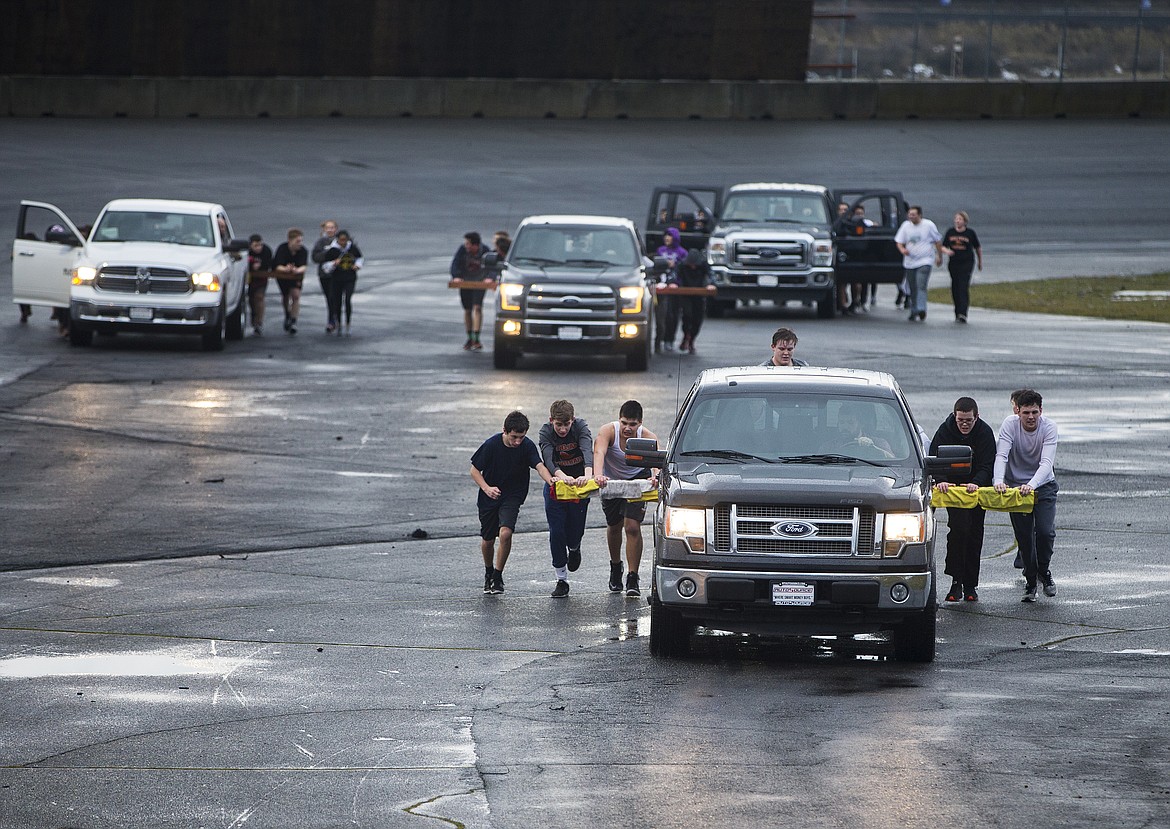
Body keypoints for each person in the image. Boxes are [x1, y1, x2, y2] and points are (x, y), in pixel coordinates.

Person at [470, 411, 555, 595]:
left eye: (521, 437)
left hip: (512, 495)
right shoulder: (492, 445)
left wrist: (551, 481)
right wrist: (487, 488)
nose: (517, 442)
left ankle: (498, 576)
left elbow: (539, 466)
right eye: (514, 437)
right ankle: (488, 572)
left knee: (506, 533)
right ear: (505, 431)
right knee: (487, 539)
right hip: (489, 495)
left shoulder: (527, 446)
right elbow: (474, 470)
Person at [993, 389, 1059, 603]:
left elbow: (1046, 463)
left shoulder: (1049, 428)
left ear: (1041, 411)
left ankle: (1044, 572)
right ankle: (1031, 581)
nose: (1030, 417)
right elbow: (1002, 455)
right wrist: (998, 481)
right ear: (1017, 412)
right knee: (1025, 539)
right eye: (1026, 413)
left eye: (1034, 412)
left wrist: (1031, 485)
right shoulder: (1009, 425)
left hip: (1043, 486)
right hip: (1015, 488)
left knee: (1045, 532)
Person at [930, 397, 997, 602]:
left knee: (975, 534)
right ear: (954, 416)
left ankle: (971, 585)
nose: (964, 424)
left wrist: (977, 482)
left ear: (976, 417)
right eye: (961, 420)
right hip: (954, 491)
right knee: (959, 530)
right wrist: (940, 480)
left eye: (969, 420)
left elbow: (988, 465)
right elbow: (934, 458)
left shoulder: (984, 433)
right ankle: (955, 581)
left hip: (976, 490)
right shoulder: (945, 430)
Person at [593, 400, 658, 598]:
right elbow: (599, 452)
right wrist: (598, 475)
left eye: (633, 424)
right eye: (624, 423)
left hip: (637, 479)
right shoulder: (608, 431)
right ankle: (615, 567)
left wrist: (655, 476)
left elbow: (656, 461)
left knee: (631, 526)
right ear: (618, 420)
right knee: (614, 526)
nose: (627, 428)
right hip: (611, 480)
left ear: (640, 423)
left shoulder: (647, 436)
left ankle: (633, 576)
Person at [538, 400, 594, 598]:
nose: (562, 429)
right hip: (558, 485)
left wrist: (587, 474)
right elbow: (548, 458)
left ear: (573, 420)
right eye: (558, 425)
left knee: (575, 529)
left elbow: (588, 450)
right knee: (557, 531)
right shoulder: (545, 432)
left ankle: (575, 547)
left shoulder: (581, 427)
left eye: (566, 424)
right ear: (551, 420)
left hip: (579, 484)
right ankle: (561, 579)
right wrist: (562, 476)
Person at [894, 205, 943, 322]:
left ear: (919, 215)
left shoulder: (928, 225)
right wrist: (902, 250)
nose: (911, 217)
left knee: (921, 284)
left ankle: (921, 308)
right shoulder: (906, 226)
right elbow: (899, 242)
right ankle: (914, 309)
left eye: (914, 214)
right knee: (912, 287)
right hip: (910, 262)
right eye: (910, 214)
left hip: (925, 260)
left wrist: (939, 256)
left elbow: (937, 241)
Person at [451, 231, 491, 351]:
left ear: (476, 245)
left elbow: (492, 266)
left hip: (479, 283)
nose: (466, 246)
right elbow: (455, 264)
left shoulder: (485, 251)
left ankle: (476, 337)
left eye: (468, 244)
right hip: (466, 282)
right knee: (467, 309)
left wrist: (490, 277)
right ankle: (469, 336)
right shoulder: (462, 250)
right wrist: (456, 276)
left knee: (477, 307)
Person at [942, 210, 983, 324]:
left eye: (960, 219)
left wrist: (980, 262)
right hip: (954, 263)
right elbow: (942, 246)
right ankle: (957, 311)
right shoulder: (950, 232)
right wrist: (946, 252)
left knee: (963, 286)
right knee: (955, 286)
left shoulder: (970, 233)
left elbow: (978, 248)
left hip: (967, 262)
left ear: (965, 222)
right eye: (956, 219)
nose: (957, 221)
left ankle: (963, 313)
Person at [321, 230, 363, 336]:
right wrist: (334, 263)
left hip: (350, 278)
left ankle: (348, 322)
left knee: (348, 299)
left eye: (345, 240)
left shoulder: (352, 248)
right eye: (341, 240)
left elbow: (360, 258)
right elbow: (325, 267)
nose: (343, 242)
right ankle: (339, 322)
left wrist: (357, 266)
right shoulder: (333, 250)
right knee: (337, 301)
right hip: (336, 279)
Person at [654, 227, 687, 352]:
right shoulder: (660, 250)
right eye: (665, 235)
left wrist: (676, 265)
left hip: (676, 288)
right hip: (661, 287)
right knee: (661, 316)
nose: (667, 238)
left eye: (670, 235)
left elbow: (685, 269)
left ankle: (669, 340)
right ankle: (658, 341)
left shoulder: (682, 252)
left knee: (673, 315)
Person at [272, 228, 308, 335]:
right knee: (286, 295)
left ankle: (293, 320)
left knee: (296, 295)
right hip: (283, 275)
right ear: (290, 241)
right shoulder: (282, 249)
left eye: (301, 241)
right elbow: (277, 266)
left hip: (296, 276)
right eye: (297, 241)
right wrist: (286, 269)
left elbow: (304, 266)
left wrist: (296, 270)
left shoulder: (303, 251)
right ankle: (287, 313)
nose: (300, 244)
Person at [676, 248, 713, 354]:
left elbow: (711, 275)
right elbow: (675, 275)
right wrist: (674, 282)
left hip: (699, 295)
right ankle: (686, 335)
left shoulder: (703, 265)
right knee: (687, 315)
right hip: (686, 294)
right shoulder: (682, 265)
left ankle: (692, 340)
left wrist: (710, 284)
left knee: (698, 319)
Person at [311, 219, 339, 330]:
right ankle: (332, 318)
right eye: (328, 228)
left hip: (337, 274)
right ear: (324, 229)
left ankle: (333, 319)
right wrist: (328, 254)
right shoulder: (320, 242)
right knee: (329, 297)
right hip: (324, 274)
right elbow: (315, 257)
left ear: (336, 229)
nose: (330, 230)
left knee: (334, 296)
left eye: (332, 228)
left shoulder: (340, 240)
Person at [246, 234, 273, 336]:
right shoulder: (247, 252)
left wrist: (261, 266)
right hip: (249, 280)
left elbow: (270, 263)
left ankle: (259, 322)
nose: (259, 248)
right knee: (251, 299)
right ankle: (254, 315)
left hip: (261, 279)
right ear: (251, 245)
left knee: (259, 297)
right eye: (256, 245)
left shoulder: (266, 251)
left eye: (260, 245)